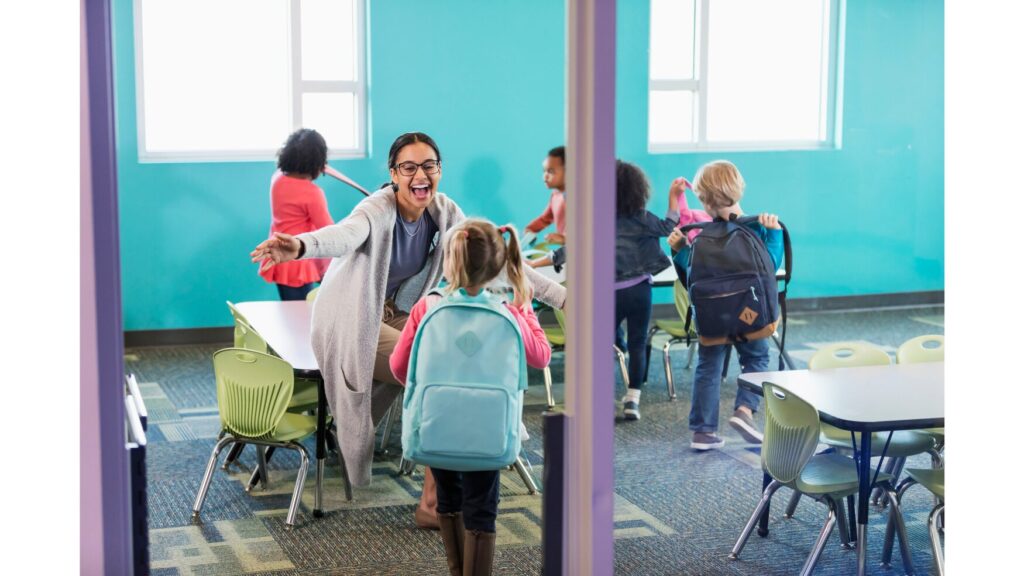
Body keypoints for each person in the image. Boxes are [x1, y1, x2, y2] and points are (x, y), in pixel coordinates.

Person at [249, 132, 566, 495]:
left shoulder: (445, 213)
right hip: (350, 317)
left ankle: (483, 444)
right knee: (436, 364)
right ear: (394, 173)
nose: (421, 175)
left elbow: (497, 258)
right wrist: (301, 245)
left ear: (440, 170)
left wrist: (564, 299)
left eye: (429, 166)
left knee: (449, 350)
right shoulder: (376, 209)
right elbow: (343, 236)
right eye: (409, 167)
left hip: (392, 311)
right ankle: (436, 496)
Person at [389, 219, 552, 576]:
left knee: (448, 501)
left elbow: (399, 368)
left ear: (449, 261)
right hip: (489, 429)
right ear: (497, 263)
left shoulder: (427, 306)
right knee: (482, 508)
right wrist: (524, 309)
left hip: (438, 424)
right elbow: (540, 356)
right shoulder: (509, 308)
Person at [667, 160, 783, 450]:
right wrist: (775, 234)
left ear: (704, 200)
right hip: (751, 315)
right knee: (756, 359)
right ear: (739, 188)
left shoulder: (701, 237)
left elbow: (689, 278)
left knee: (708, 365)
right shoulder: (755, 229)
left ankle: (703, 432)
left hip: (713, 318)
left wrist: (679, 250)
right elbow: (769, 268)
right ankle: (744, 411)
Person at [613, 160, 682, 421]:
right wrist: (673, 197)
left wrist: (551, 259)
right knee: (639, 342)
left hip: (610, 294)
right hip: (640, 290)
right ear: (637, 190)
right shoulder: (643, 218)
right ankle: (633, 399)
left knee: (607, 341)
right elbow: (668, 227)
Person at [259, 128, 334, 300]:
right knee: (301, 312)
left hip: (280, 255)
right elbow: (329, 231)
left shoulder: (277, 178)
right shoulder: (312, 193)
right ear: (318, 162)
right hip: (297, 258)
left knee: (292, 309)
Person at [522, 146, 566, 247]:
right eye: (544, 171)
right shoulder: (555, 195)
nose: (545, 176)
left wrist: (565, 238)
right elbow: (545, 219)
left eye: (550, 171)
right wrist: (531, 229)